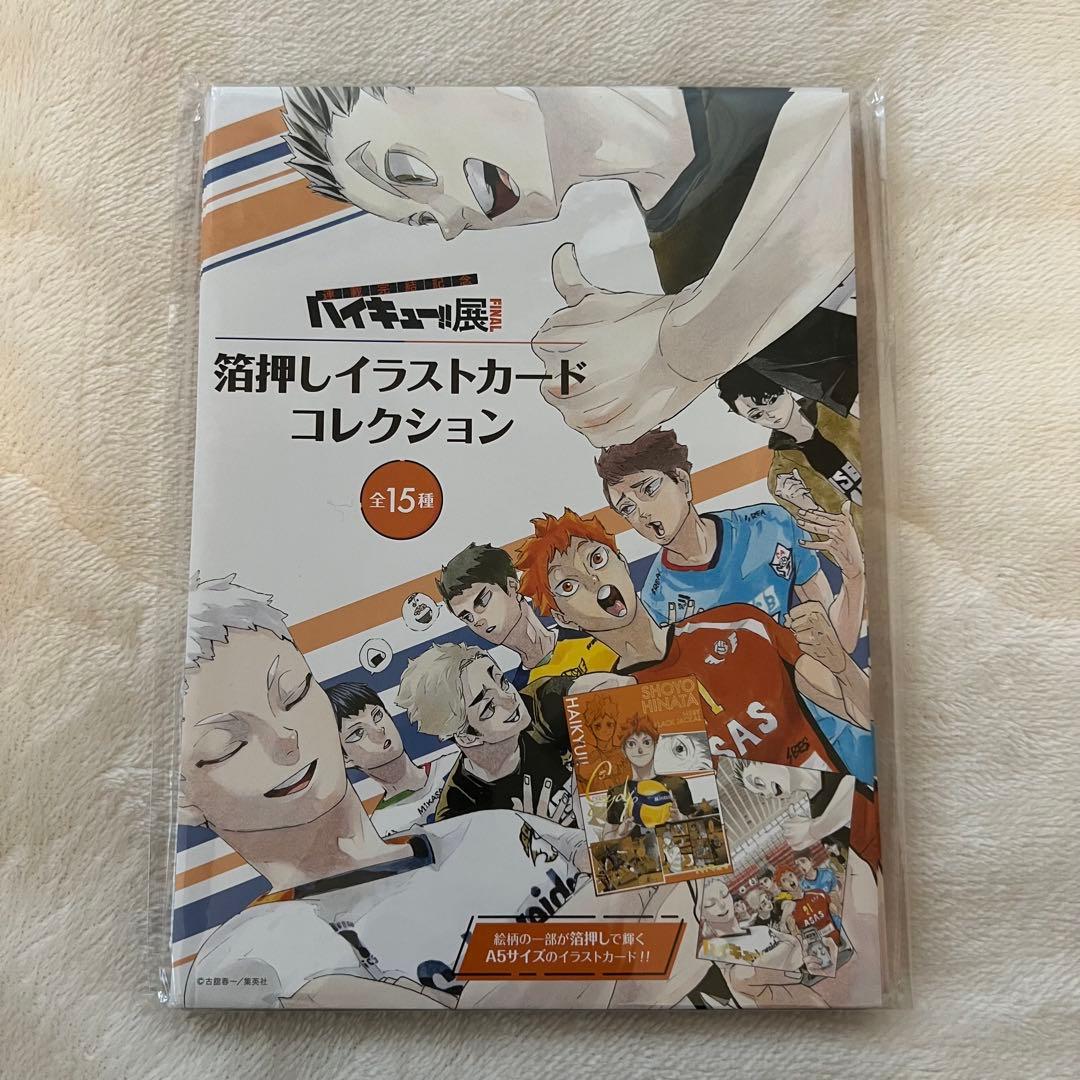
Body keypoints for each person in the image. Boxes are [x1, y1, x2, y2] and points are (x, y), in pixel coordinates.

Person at [178, 573, 708, 1010]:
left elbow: (695, 873)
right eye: (227, 744)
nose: (286, 738)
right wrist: (632, 904)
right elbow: (459, 1038)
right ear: (182, 796)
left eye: (292, 693)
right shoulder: (251, 955)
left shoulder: (490, 829)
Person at [280, 85, 858, 447]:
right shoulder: (690, 272)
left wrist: (685, 348)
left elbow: (845, 132)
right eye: (420, 220)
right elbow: (876, 394)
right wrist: (689, 337)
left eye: (405, 170)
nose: (449, 222)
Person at [515, 509, 872, 773]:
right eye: (568, 585)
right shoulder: (610, 711)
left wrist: (841, 665)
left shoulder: (739, 623)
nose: (594, 579)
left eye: (596, 558)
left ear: (622, 561)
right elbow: (653, 831)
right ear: (564, 619)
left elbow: (866, 715)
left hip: (855, 828)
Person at [595, 428, 864, 653]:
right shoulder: (657, 600)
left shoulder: (771, 524)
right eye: (627, 509)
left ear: (683, 483)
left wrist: (854, 575)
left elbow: (839, 643)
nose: (641, 512)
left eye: (648, 489)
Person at [396, 642, 578, 823]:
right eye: (489, 706)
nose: (509, 699)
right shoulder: (458, 814)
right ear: (467, 737)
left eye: (502, 682)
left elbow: (588, 690)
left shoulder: (541, 701)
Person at [436, 541, 615, 685]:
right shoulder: (522, 695)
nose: (476, 620)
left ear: (512, 586)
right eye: (466, 617)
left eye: (482, 601)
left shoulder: (592, 634)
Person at [716, 365, 863, 538]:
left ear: (785, 387)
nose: (769, 414)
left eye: (770, 400)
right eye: (756, 415)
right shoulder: (781, 475)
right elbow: (831, 542)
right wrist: (809, 508)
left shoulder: (839, 408)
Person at [326, 682, 455, 836]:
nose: (378, 730)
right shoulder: (383, 829)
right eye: (358, 732)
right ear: (344, 758)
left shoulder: (454, 763)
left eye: (377, 715)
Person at [603, 714, 695, 840]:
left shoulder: (677, 784)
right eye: (632, 744)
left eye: (646, 742)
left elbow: (699, 829)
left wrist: (681, 819)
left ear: (655, 746)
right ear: (623, 750)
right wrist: (620, 833)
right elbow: (605, 839)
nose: (640, 750)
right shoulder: (617, 793)